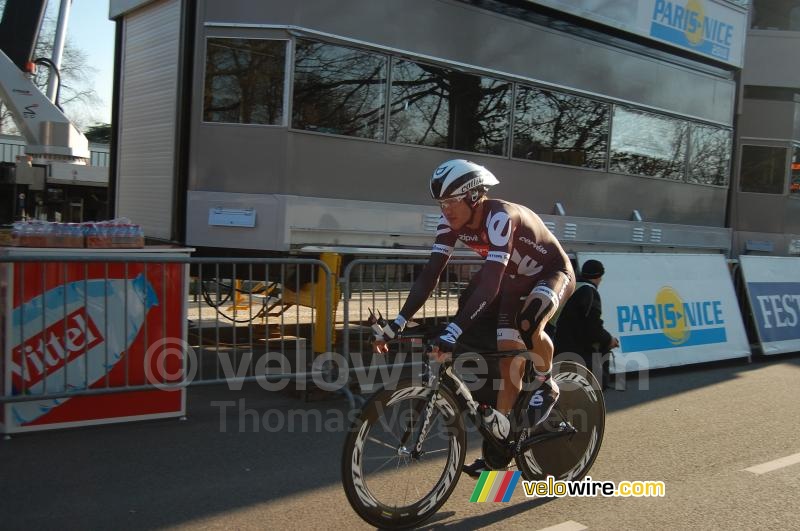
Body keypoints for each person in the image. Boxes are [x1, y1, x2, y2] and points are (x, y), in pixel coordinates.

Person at [373, 159, 575, 477]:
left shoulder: (499, 217)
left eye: (452, 201)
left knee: (527, 324)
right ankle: (503, 437)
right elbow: (430, 275)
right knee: (508, 354)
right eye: (442, 203)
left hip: (551, 273)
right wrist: (398, 322)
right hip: (515, 281)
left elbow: (491, 281)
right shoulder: (450, 224)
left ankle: (546, 382)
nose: (447, 210)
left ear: (473, 197)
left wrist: (453, 332)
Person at [553, 259, 619, 387]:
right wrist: (609, 340)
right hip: (575, 349)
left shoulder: (571, 286)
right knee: (599, 383)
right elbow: (593, 328)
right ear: (599, 276)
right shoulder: (590, 292)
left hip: (555, 345)